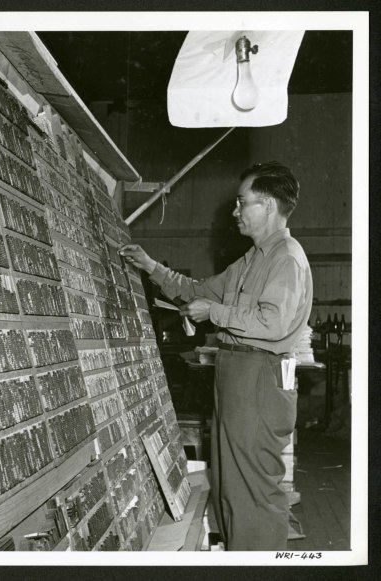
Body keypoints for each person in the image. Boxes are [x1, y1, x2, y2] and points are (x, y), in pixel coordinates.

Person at [120, 161, 313, 551]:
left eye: (243, 203)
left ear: (269, 206)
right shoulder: (252, 258)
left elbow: (273, 324)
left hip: (261, 376)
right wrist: (151, 267)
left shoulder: (286, 258)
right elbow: (199, 290)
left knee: (253, 491)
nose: (235, 211)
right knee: (227, 485)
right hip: (237, 374)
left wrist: (215, 313)